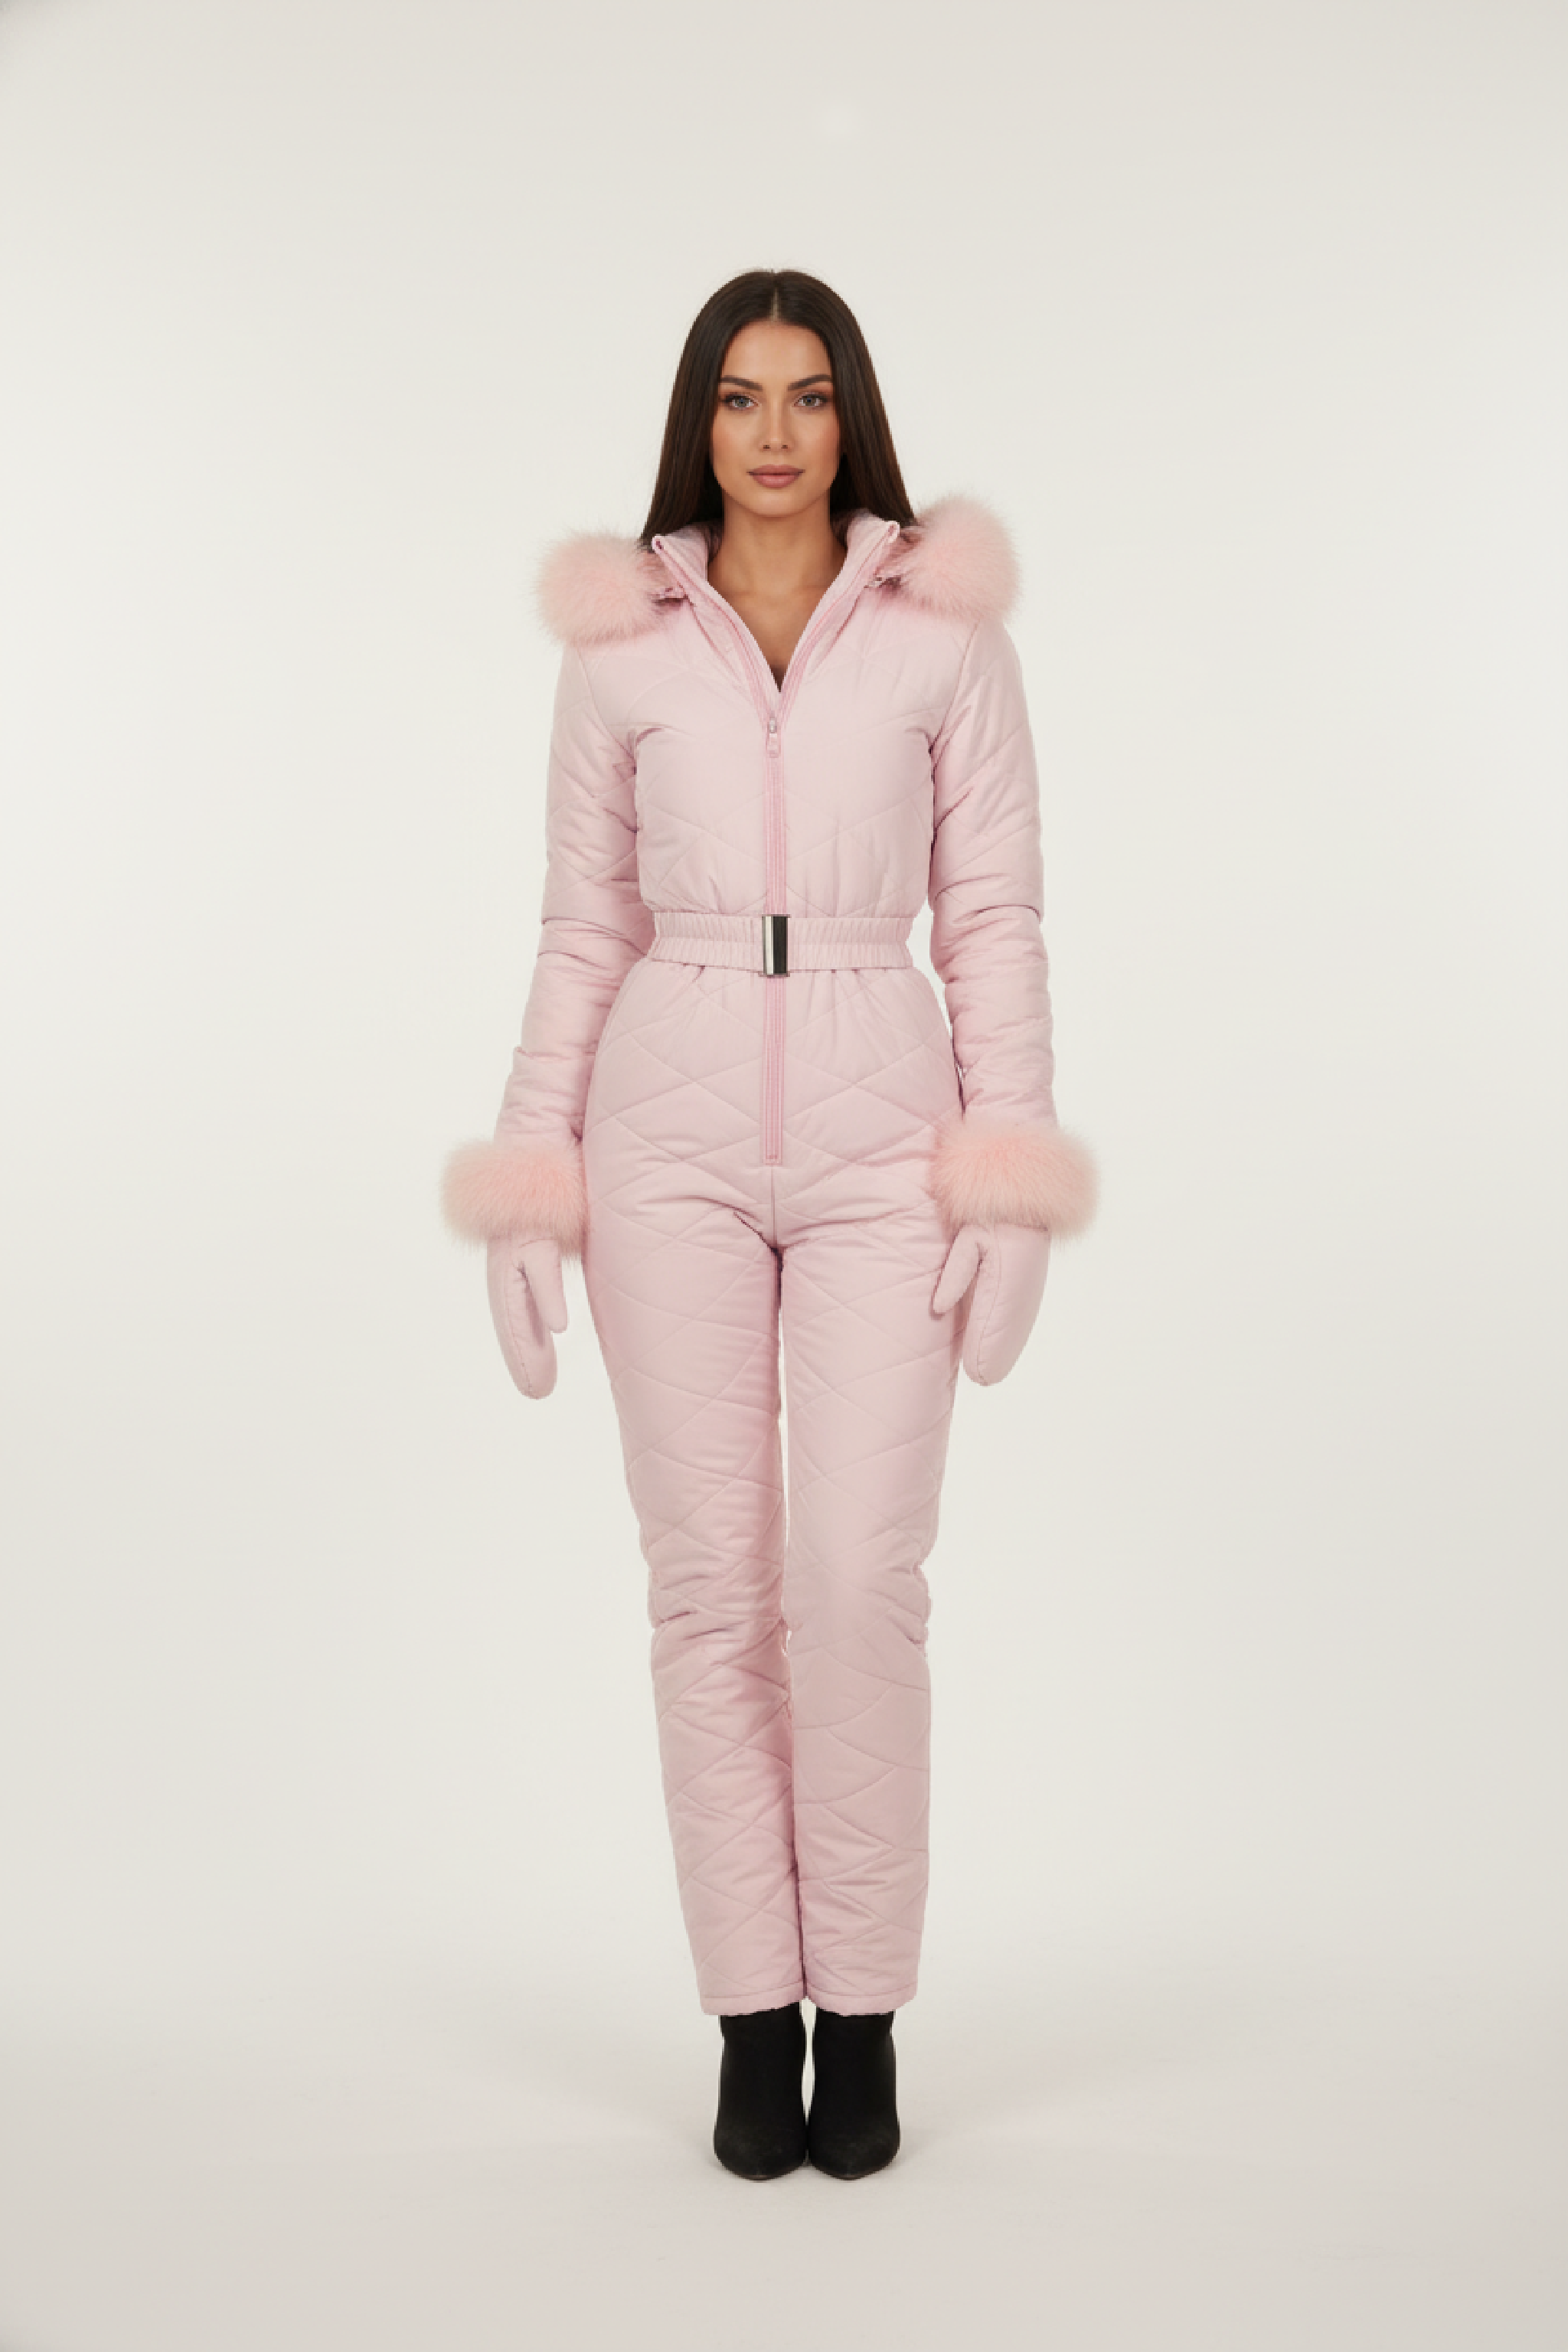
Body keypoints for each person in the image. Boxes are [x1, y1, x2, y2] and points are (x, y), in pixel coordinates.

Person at [442, 267, 1097, 2180]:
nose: (777, 432)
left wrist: (1010, 1162)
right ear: (699, 422)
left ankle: (862, 2015)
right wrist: (531, 1169)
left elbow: (996, 915)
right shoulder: (622, 645)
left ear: (849, 414)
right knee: (711, 1590)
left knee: (855, 1580)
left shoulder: (946, 633)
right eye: (741, 396)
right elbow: (581, 928)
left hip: (889, 1127)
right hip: (667, 1136)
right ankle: (751, 2019)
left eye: (809, 394)